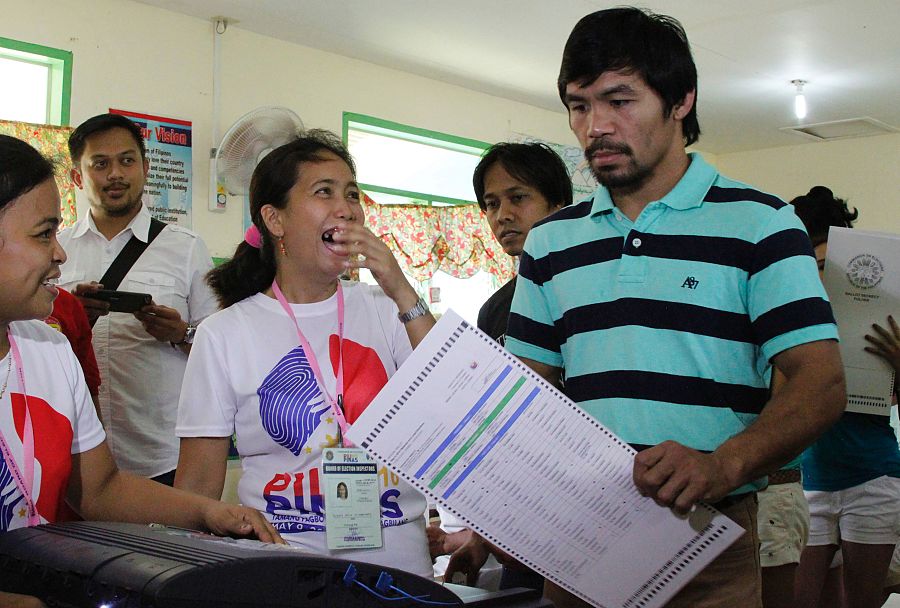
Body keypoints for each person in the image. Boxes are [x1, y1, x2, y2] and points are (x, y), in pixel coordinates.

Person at [504, 8, 846, 607]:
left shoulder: (761, 223)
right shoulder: (551, 242)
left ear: (681, 100)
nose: (595, 127)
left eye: (620, 100)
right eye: (579, 105)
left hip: (708, 536)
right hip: (580, 538)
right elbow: (524, 393)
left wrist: (722, 466)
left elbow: (820, 383)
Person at [0, 134, 281, 608]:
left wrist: (210, 513)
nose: (59, 255)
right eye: (44, 233)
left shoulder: (48, 350)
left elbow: (100, 488)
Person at [175, 130, 436, 577]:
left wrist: (400, 287)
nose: (347, 208)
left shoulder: (385, 308)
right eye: (324, 192)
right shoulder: (224, 333)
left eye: (352, 193)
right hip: (286, 569)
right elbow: (197, 488)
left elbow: (456, 398)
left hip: (402, 566)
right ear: (274, 220)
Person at [58, 113, 219, 486]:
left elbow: (220, 349)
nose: (116, 173)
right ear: (78, 177)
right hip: (76, 451)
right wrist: (71, 321)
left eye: (127, 161)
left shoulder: (186, 248)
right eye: (100, 164)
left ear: (146, 168)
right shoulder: (57, 249)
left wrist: (181, 331)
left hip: (163, 455)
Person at [440, 142, 573, 589]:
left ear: (559, 207)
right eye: (492, 204)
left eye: (519, 198)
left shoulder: (591, 293)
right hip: (523, 521)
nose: (503, 215)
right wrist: (482, 535)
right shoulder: (494, 309)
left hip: (591, 508)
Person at [790, 186, 900, 608]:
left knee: (862, 601)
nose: (823, 278)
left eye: (829, 266)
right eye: (815, 266)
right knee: (798, 597)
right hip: (807, 480)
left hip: (873, 472)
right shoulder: (786, 316)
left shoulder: (880, 316)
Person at [44, 287, 101, 416]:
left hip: (58, 419)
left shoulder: (65, 302)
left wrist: (98, 430)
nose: (56, 271)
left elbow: (87, 379)